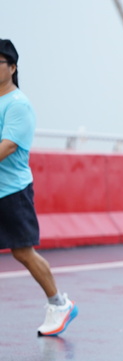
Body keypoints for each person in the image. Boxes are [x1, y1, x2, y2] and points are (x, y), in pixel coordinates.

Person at [0, 39, 79, 336]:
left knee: (23, 252)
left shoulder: (18, 104)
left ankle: (60, 304)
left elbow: (8, 146)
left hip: (12, 191)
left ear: (12, 68)